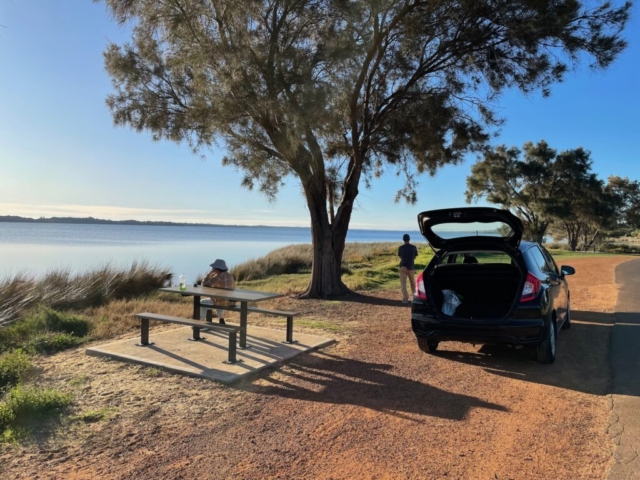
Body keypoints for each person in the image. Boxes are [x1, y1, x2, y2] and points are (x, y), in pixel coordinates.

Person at [201, 259, 236, 325]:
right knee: (218, 298)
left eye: (213, 268)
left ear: (217, 268)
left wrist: (209, 275)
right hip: (230, 302)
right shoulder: (230, 275)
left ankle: (202, 323)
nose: (212, 269)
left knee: (202, 302)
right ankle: (221, 319)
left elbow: (204, 284)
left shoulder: (219, 276)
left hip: (222, 302)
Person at [398, 234, 418, 304]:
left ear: (403, 239)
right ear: (409, 239)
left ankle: (405, 299)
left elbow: (400, 256)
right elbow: (415, 256)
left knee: (403, 283)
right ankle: (414, 297)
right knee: (412, 283)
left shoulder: (401, 248)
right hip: (411, 267)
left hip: (403, 266)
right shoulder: (413, 247)